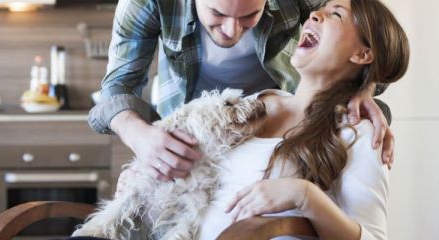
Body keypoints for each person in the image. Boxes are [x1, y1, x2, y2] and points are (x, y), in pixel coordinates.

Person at [118, 0, 408, 238]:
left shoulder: (356, 133)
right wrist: (144, 175)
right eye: (218, 13)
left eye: (334, 14)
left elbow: (372, 235)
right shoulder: (245, 107)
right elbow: (188, 171)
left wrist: (305, 195)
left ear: (362, 53)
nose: (315, 14)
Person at [88, 0, 396, 182]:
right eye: (218, 14)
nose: (231, 31)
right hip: (196, 135)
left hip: (280, 132)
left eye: (249, 15)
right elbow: (117, 88)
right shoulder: (146, 2)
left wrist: (360, 89)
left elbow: (366, 43)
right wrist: (141, 138)